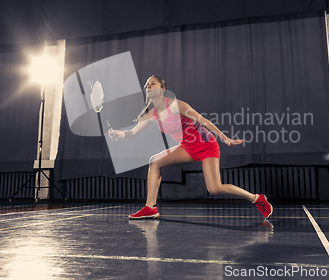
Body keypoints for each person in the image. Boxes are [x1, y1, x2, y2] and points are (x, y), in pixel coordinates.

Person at [108, 75, 273, 220]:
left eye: (153, 83)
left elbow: (202, 120)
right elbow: (132, 133)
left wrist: (223, 136)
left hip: (207, 145)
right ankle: (150, 208)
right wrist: (118, 133)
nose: (149, 86)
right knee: (155, 161)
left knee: (215, 189)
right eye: (147, 84)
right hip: (187, 147)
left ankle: (257, 198)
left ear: (162, 89)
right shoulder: (152, 114)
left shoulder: (174, 104)